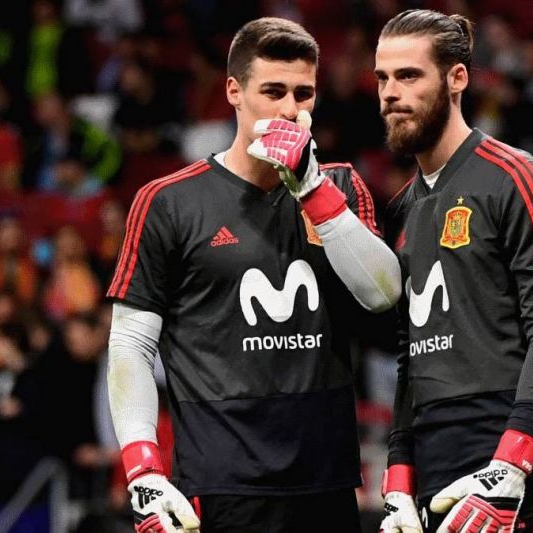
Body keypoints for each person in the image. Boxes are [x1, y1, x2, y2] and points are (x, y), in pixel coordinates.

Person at [106, 17, 401, 533]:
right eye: (273, 91)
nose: (290, 109)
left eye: (303, 94)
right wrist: (144, 470)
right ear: (234, 92)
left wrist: (312, 190)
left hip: (326, 480)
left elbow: (383, 294)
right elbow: (131, 343)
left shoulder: (339, 188)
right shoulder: (169, 202)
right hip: (221, 485)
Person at [374, 10, 533, 533]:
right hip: (432, 461)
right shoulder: (402, 209)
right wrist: (399, 477)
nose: (390, 93)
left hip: (513, 462)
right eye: (383, 78)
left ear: (457, 78)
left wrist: (512, 463)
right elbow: (410, 353)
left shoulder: (516, 177)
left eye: (409, 75)